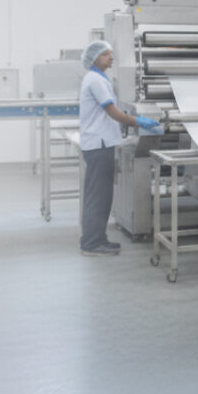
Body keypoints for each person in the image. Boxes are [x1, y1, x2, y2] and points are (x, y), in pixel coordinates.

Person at [78, 40, 160, 256]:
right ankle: (91, 243)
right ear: (94, 58)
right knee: (98, 196)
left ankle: (98, 238)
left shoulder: (98, 78)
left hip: (101, 143)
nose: (111, 57)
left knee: (102, 195)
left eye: (111, 54)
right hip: (98, 145)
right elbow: (112, 112)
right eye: (106, 54)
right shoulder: (95, 80)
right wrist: (137, 121)